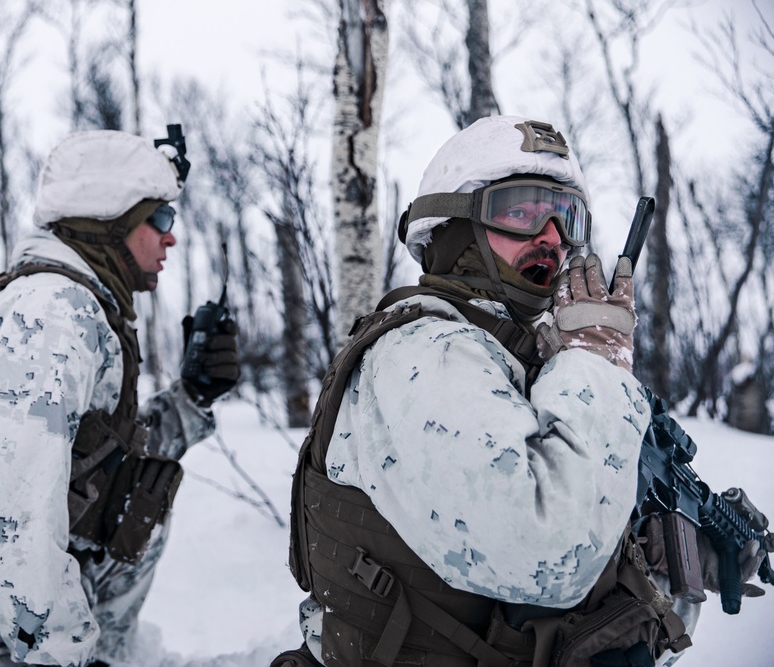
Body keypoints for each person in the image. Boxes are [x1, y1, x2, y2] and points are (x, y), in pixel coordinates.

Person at [271, 116, 764, 667]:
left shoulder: (521, 357)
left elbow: (588, 525)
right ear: (451, 228)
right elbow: (546, 551)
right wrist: (595, 368)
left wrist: (682, 544)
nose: (552, 237)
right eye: (521, 212)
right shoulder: (425, 353)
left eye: (565, 215)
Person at [0, 127, 239, 667]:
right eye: (160, 218)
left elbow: (105, 462)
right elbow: (0, 520)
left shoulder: (76, 307)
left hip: (20, 630)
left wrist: (191, 397)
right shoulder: (53, 316)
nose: (170, 237)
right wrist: (68, 656)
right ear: (109, 223)